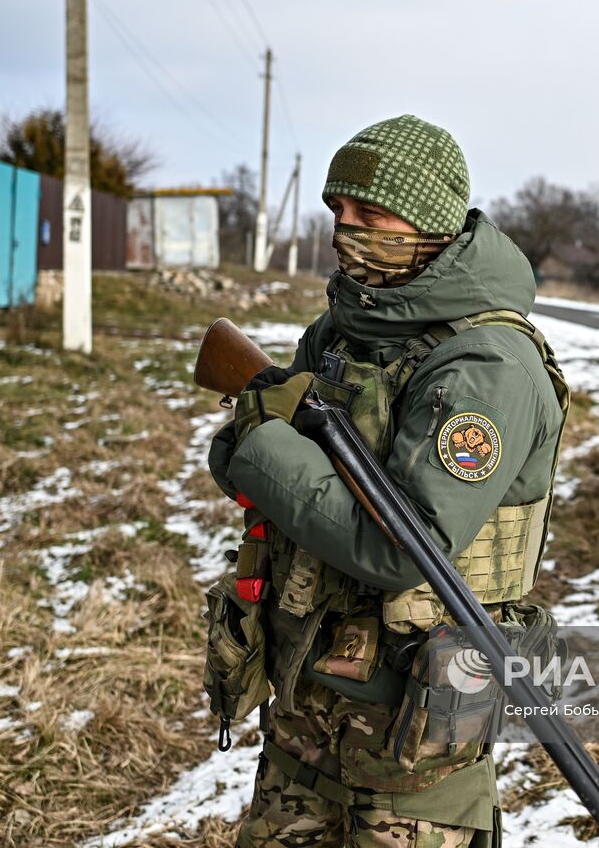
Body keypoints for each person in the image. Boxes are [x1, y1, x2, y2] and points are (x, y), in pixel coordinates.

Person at [207, 114, 568, 847]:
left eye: (369, 214)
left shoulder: (487, 363)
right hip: (303, 725)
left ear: (429, 221)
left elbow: (401, 547)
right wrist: (254, 433)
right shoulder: (342, 329)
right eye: (337, 212)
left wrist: (263, 441)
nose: (346, 230)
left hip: (413, 756)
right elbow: (239, 459)